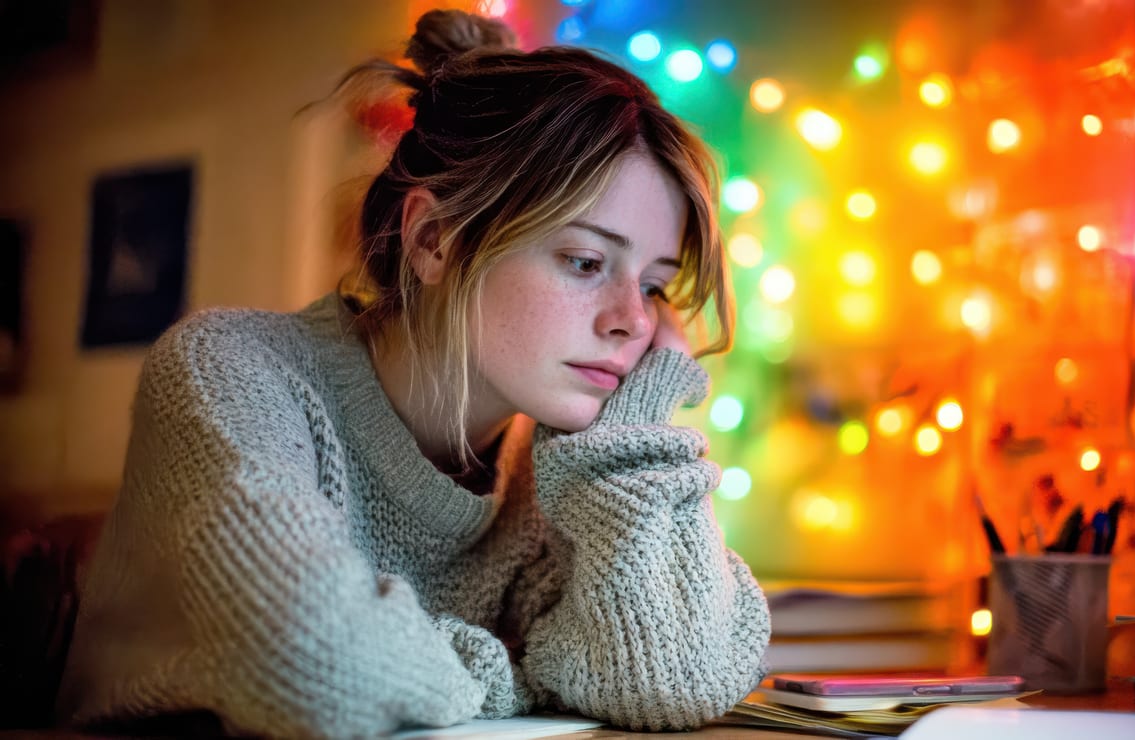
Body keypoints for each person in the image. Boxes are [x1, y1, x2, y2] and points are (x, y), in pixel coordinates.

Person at [55, 9, 770, 737]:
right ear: (433, 239)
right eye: (586, 262)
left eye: (653, 285)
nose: (634, 321)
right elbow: (315, 666)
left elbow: (669, 683)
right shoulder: (229, 373)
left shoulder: (558, 465)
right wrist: (525, 672)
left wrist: (635, 429)